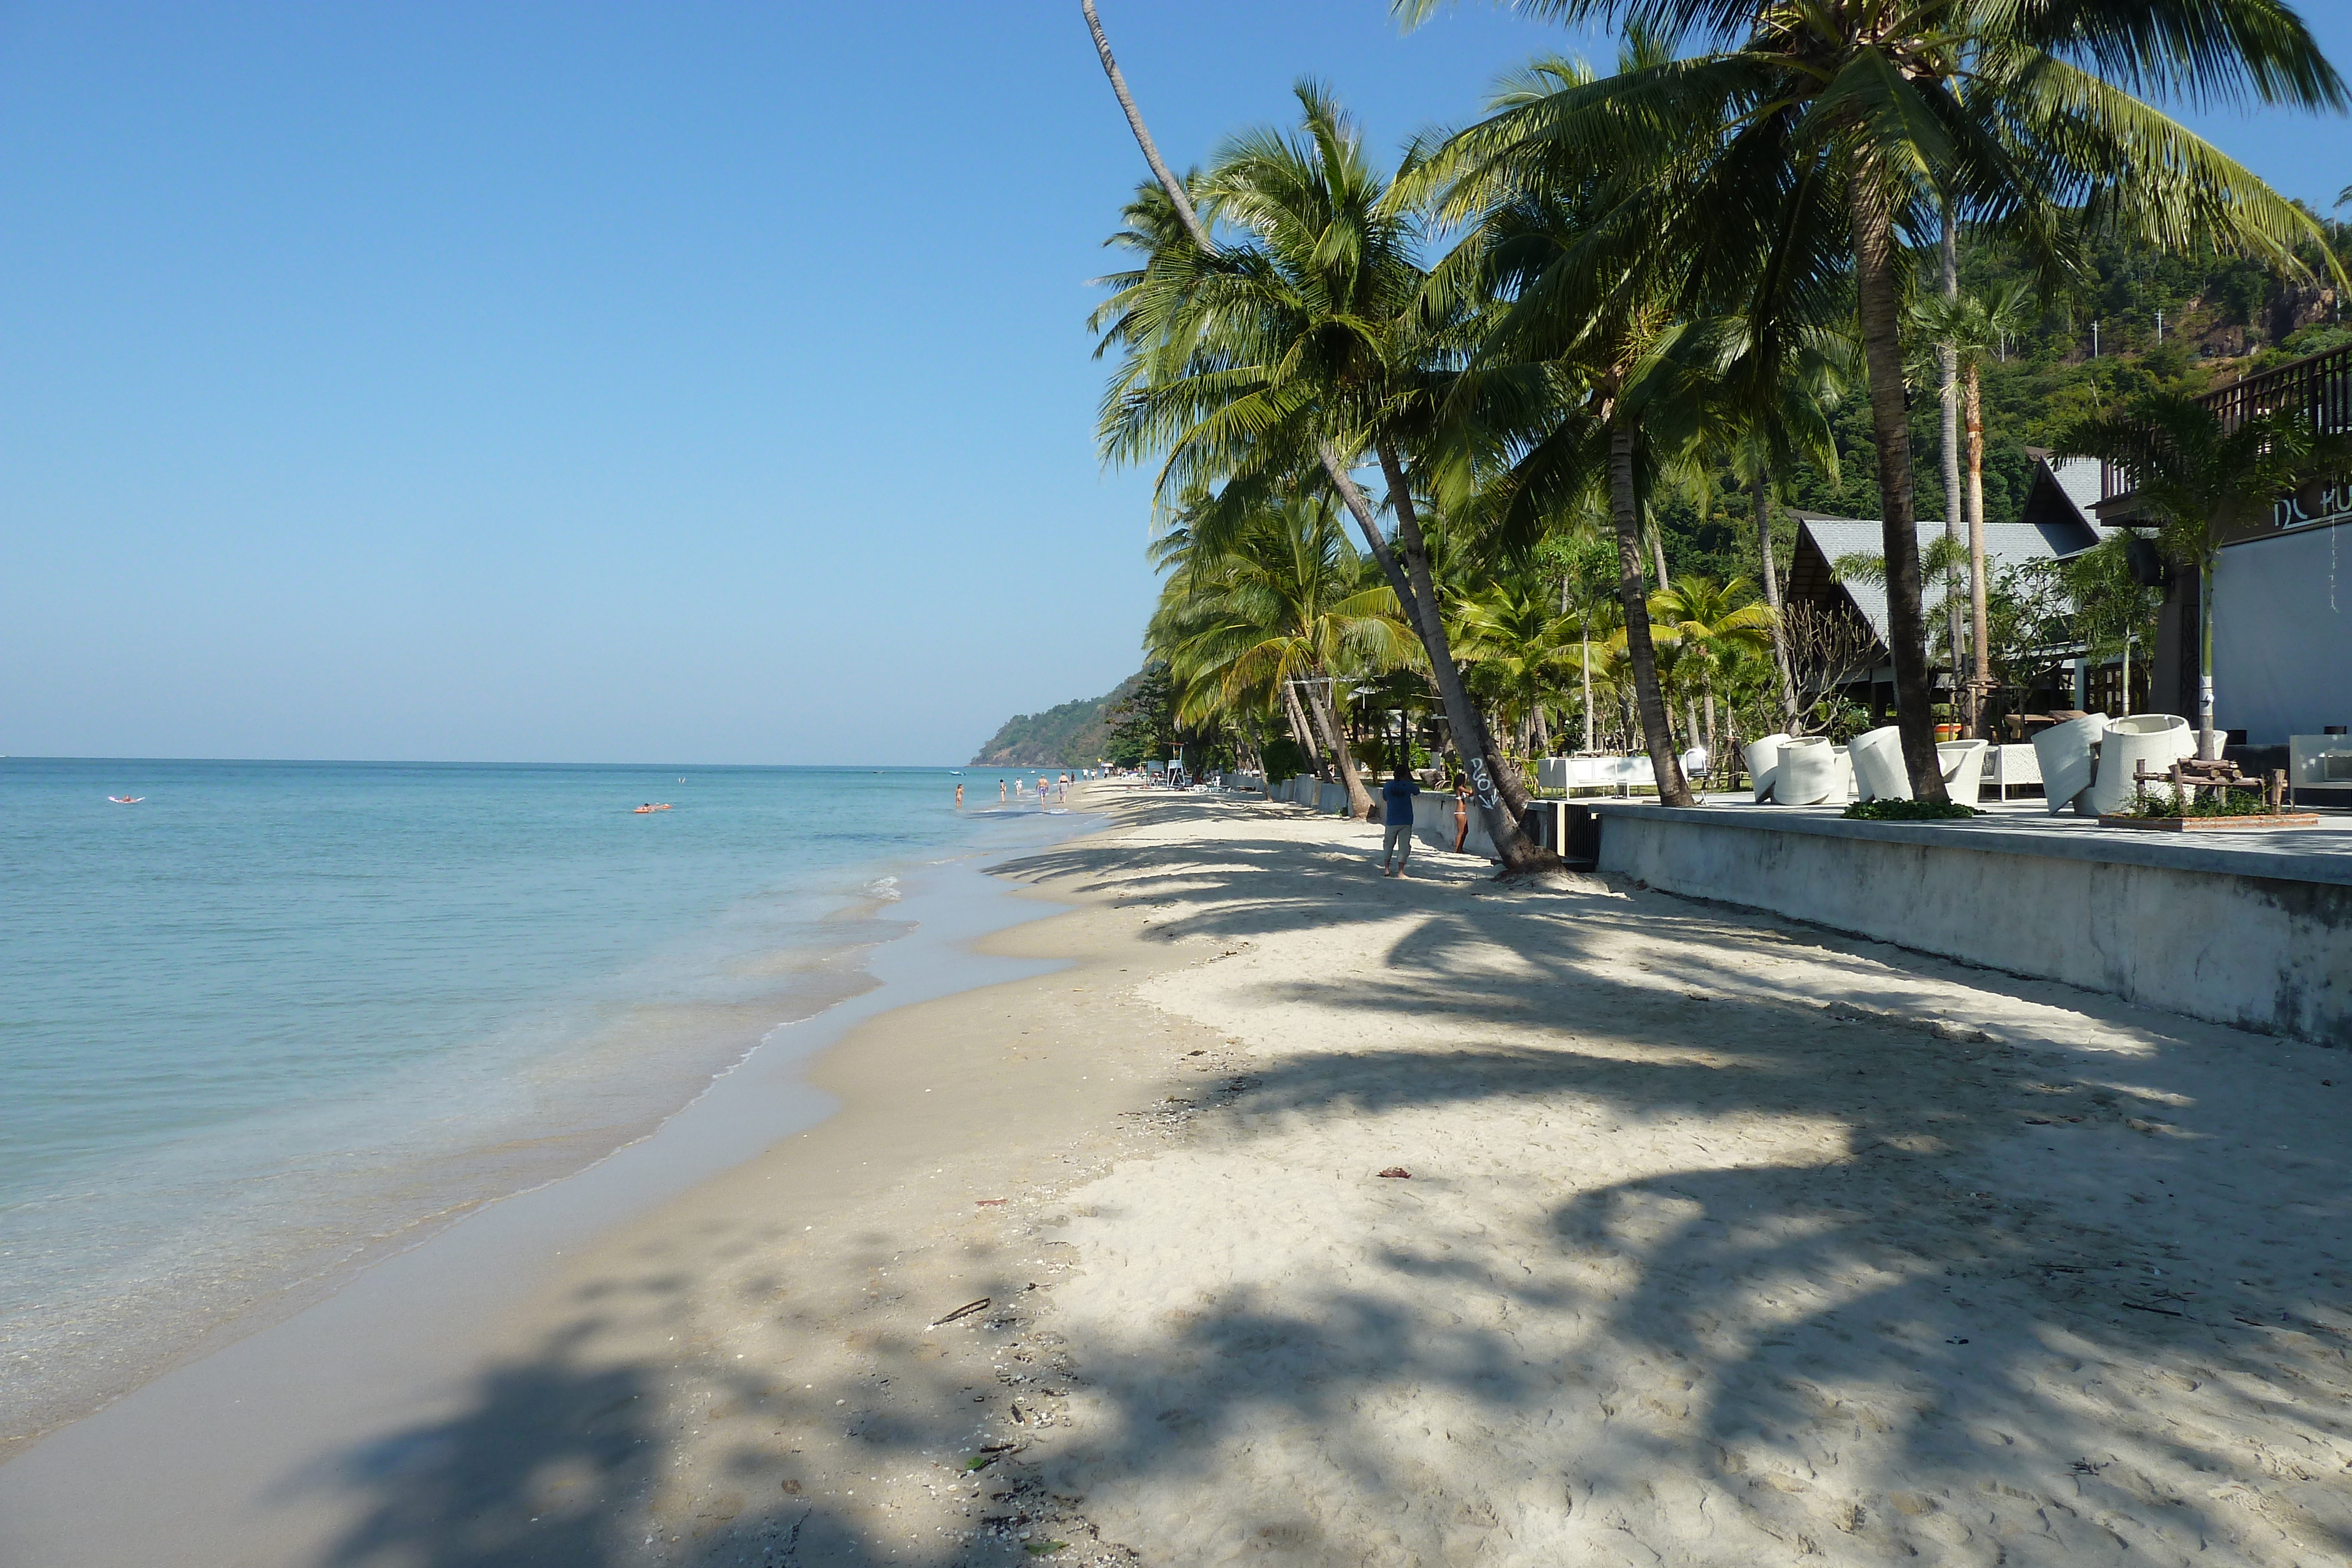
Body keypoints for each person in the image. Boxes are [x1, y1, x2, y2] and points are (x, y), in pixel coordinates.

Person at [1379, 763, 1421, 877]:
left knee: (1388, 844)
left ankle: (1387, 868)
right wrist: (1408, 781)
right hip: (1406, 820)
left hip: (1391, 819)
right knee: (1404, 846)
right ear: (1406, 774)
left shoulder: (1387, 786)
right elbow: (1417, 791)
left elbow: (1385, 798)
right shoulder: (1408, 785)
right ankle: (1401, 872)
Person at [1453, 774, 1471, 854]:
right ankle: (1457, 849)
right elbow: (1470, 792)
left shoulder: (1462, 789)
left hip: (1463, 812)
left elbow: (1470, 794)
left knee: (1466, 831)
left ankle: (1461, 847)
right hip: (1459, 812)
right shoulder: (1460, 788)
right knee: (1461, 832)